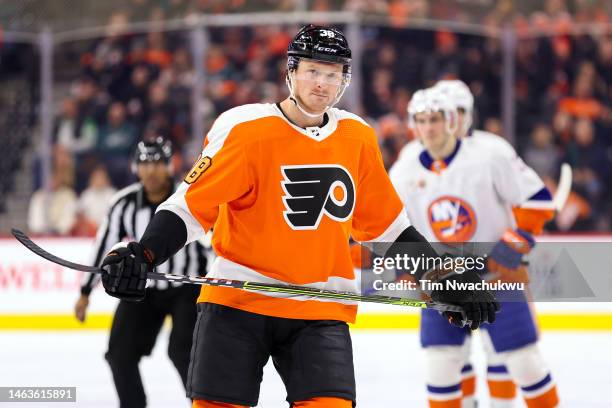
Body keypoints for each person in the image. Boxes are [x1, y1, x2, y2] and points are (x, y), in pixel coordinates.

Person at [97, 25, 499, 408]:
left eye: (332, 73)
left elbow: (388, 229)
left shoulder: (357, 137)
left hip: (319, 310)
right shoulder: (245, 129)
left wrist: (442, 275)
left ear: (345, 79)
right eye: (311, 71)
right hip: (238, 304)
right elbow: (190, 206)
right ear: (290, 72)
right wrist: (144, 254)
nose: (321, 83)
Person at [390, 87, 559, 408]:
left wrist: (512, 245)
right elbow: (396, 227)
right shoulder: (404, 168)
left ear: (452, 120)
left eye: (436, 119)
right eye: (421, 120)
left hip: (498, 281)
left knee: (524, 362)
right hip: (443, 285)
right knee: (440, 366)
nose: (428, 128)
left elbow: (537, 201)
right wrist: (405, 269)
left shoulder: (489, 154)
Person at [74, 137, 209, 408]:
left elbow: (214, 243)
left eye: (158, 162)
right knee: (119, 353)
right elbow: (104, 245)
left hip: (188, 288)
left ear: (170, 166)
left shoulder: (191, 197)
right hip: (142, 288)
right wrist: (86, 291)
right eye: (145, 163)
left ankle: (204, 404)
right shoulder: (123, 204)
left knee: (184, 351)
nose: (151, 170)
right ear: (135, 167)